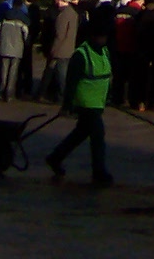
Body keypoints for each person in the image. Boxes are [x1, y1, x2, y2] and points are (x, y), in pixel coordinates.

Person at [46, 25, 115, 187]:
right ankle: (99, 171)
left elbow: (106, 76)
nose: (103, 40)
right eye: (101, 37)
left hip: (97, 102)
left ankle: (55, 157)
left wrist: (109, 96)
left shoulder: (105, 52)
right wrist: (67, 104)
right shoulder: (80, 55)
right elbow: (71, 82)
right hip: (85, 103)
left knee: (81, 133)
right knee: (98, 136)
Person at [41, 0, 79, 104]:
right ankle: (43, 92)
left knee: (61, 76)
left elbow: (60, 35)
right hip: (68, 49)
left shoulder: (63, 15)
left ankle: (63, 97)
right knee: (52, 72)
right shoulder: (73, 13)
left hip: (60, 50)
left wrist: (53, 49)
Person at [0, 0, 29, 101]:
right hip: (17, 48)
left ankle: (0, 92)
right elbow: (26, 34)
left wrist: (0, 40)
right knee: (13, 72)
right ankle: (9, 93)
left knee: (3, 71)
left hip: (4, 47)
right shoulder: (22, 20)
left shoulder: (5, 17)